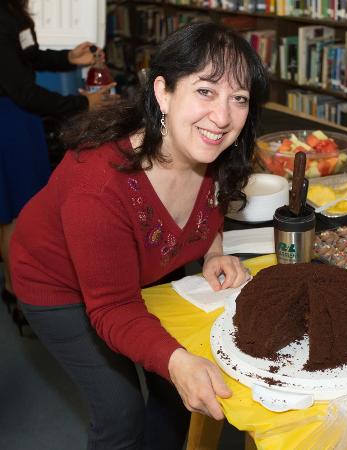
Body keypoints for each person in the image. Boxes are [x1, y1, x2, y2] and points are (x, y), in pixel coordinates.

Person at [10, 21, 269, 449]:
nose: (222, 117)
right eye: (205, 90)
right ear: (164, 92)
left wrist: (212, 250)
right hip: (57, 284)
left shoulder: (212, 147)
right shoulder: (97, 185)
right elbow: (112, 306)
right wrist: (176, 361)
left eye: (238, 98)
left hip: (138, 270)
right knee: (121, 411)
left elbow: (209, 206)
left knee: (177, 390)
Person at [0, 0, 116, 314]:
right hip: (8, 120)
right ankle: (16, 292)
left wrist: (68, 58)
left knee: (25, 205)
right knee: (14, 209)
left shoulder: (15, 11)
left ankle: (18, 286)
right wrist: (82, 106)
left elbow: (27, 56)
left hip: (20, 118)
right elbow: (21, 90)